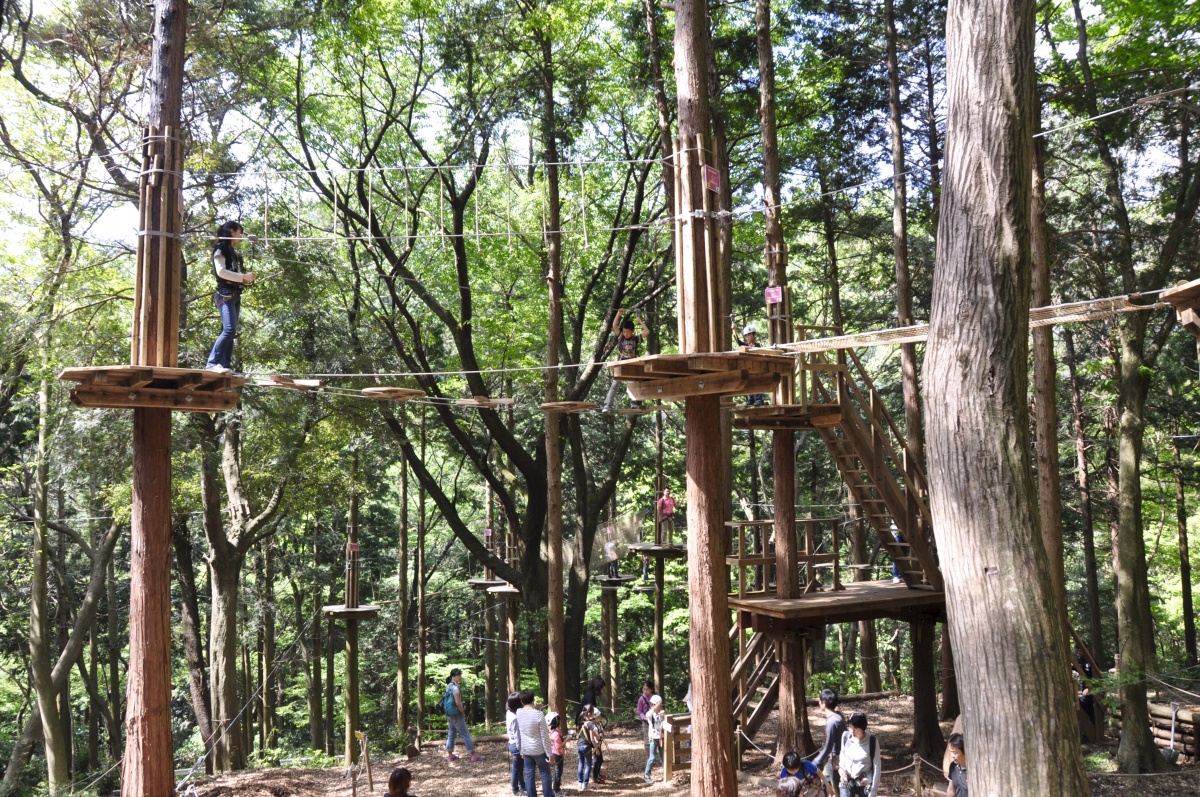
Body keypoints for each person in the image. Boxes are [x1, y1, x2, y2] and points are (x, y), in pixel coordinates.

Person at [205, 220, 256, 373]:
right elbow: (221, 272)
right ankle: (212, 363)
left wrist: (244, 278)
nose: (240, 237)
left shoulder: (231, 251)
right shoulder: (220, 248)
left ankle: (224, 365)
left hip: (234, 294)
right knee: (229, 330)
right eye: (239, 233)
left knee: (230, 331)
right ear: (232, 231)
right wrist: (242, 277)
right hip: (225, 293)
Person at [601, 309, 650, 412]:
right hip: (621, 363)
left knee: (632, 383)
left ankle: (633, 403)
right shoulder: (621, 338)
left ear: (633, 331)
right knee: (615, 384)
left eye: (628, 332)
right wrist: (618, 314)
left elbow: (647, 332)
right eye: (624, 332)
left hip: (632, 364)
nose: (626, 334)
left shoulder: (636, 339)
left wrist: (639, 320)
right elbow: (614, 326)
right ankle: (607, 405)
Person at [515, 690, 556, 797]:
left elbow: (518, 733)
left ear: (522, 701)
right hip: (539, 750)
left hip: (526, 750)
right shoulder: (539, 715)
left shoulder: (518, 713)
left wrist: (520, 750)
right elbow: (544, 736)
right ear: (533, 699)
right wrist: (550, 753)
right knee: (545, 773)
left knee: (529, 775)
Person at [442, 669, 482, 763]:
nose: (460, 677)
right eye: (459, 675)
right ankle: (473, 754)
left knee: (451, 734)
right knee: (465, 734)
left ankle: (450, 755)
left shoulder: (448, 686)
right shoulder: (455, 688)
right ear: (453, 676)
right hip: (456, 714)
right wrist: (462, 711)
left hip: (449, 713)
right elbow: (457, 702)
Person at [837, 712, 880, 797]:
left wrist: (873, 791)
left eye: (856, 729)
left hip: (864, 785)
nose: (852, 732)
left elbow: (877, 767)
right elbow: (842, 754)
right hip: (846, 783)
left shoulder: (872, 741)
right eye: (850, 728)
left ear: (863, 728)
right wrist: (841, 768)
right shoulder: (845, 736)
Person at [813, 689, 846, 793]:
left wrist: (815, 762)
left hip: (838, 761)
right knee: (824, 782)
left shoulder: (832, 722)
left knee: (837, 789)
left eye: (820, 700)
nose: (819, 702)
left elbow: (828, 747)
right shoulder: (839, 715)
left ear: (824, 703)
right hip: (836, 758)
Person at [731, 321, 768, 406]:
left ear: (753, 335)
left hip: (757, 368)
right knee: (748, 382)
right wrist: (734, 330)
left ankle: (758, 399)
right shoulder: (745, 346)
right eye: (746, 336)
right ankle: (750, 399)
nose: (747, 337)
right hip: (748, 368)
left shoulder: (757, 346)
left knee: (757, 382)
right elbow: (738, 342)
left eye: (748, 335)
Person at [576, 702, 600, 790]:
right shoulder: (590, 724)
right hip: (586, 747)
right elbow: (592, 738)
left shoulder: (580, 721)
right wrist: (597, 749)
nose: (594, 714)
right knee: (588, 765)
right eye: (593, 712)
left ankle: (580, 782)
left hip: (579, 745)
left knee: (580, 764)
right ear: (590, 713)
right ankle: (585, 784)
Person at [507, 692, 527, 795]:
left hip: (513, 744)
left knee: (519, 767)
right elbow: (518, 737)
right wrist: (521, 751)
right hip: (516, 745)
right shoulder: (514, 718)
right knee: (516, 769)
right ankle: (515, 790)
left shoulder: (509, 712)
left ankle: (522, 785)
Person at [644, 694, 665, 784]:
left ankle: (666, 773)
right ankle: (647, 775)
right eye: (659, 705)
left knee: (663, 757)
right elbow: (647, 714)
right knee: (652, 758)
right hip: (653, 738)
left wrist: (664, 716)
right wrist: (654, 707)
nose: (660, 707)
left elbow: (664, 724)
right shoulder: (650, 714)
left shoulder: (661, 713)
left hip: (661, 737)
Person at [547, 712, 565, 793]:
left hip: (554, 753)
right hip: (558, 754)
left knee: (558, 771)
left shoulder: (551, 731)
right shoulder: (556, 734)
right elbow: (558, 746)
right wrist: (567, 740)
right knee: (558, 771)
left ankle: (557, 787)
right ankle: (556, 789)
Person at [945, 732, 968, 797]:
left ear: (965, 752)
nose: (952, 756)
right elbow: (951, 789)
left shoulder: (975, 770)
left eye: (955, 753)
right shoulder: (953, 766)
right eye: (950, 752)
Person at [636, 680, 655, 756]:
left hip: (655, 721)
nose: (645, 691)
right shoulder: (641, 699)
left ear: (651, 689)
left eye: (647, 689)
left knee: (657, 739)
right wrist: (643, 717)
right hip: (646, 722)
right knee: (647, 741)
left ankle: (660, 758)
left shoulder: (656, 697)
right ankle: (649, 758)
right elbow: (639, 711)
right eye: (644, 689)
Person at [589, 706, 607, 785]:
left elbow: (602, 732)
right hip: (595, 746)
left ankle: (598, 774)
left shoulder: (599, 724)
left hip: (599, 745)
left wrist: (602, 734)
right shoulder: (593, 727)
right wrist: (596, 749)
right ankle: (594, 777)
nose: (600, 717)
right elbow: (593, 739)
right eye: (598, 716)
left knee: (600, 761)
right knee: (596, 762)